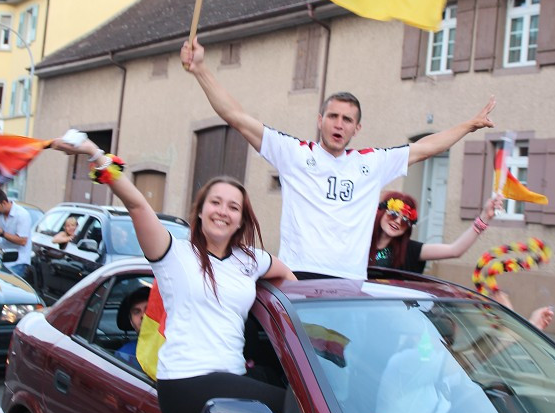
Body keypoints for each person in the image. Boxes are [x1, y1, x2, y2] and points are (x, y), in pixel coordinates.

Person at [181, 37, 496, 279]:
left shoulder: (371, 164)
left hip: (348, 282)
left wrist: (469, 125)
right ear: (320, 120)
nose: (338, 124)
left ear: (357, 128)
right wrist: (200, 70)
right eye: (332, 116)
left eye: (347, 119)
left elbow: (426, 148)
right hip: (297, 275)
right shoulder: (293, 154)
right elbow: (235, 116)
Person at [51, 131, 296, 413]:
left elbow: (288, 276)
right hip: (186, 385)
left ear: (242, 219)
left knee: (282, 389)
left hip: (230, 382)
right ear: (201, 210)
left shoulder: (250, 260)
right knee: (296, 410)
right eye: (215, 202)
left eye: (233, 207)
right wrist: (92, 152)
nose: (223, 211)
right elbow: (137, 204)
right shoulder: (173, 253)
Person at [369, 191, 503, 274]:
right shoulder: (359, 240)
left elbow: (454, 250)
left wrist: (485, 216)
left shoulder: (411, 250)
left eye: (405, 220)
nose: (398, 221)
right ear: (381, 212)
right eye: (393, 214)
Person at [0, 189, 33, 282]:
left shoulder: (22, 215)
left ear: (4, 202)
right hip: (2, 260)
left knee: (7, 283)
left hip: (18, 261)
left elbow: (22, 241)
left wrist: (2, 233)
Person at [114, 284, 150, 371]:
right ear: (131, 322)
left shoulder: (176, 346)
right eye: (137, 312)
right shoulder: (123, 356)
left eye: (148, 309)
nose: (143, 316)